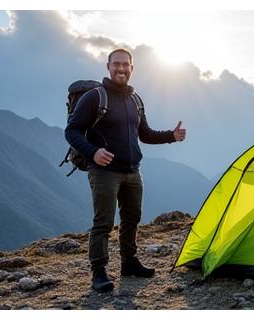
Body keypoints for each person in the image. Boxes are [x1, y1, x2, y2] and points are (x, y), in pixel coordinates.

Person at [65, 48, 186, 293]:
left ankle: (129, 264)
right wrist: (92, 152)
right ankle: (98, 272)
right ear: (108, 67)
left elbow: (145, 134)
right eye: (116, 64)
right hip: (104, 172)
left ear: (132, 68)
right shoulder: (95, 97)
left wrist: (171, 136)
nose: (121, 69)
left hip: (133, 171)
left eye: (125, 65)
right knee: (104, 223)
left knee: (132, 220)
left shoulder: (135, 100)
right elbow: (72, 130)